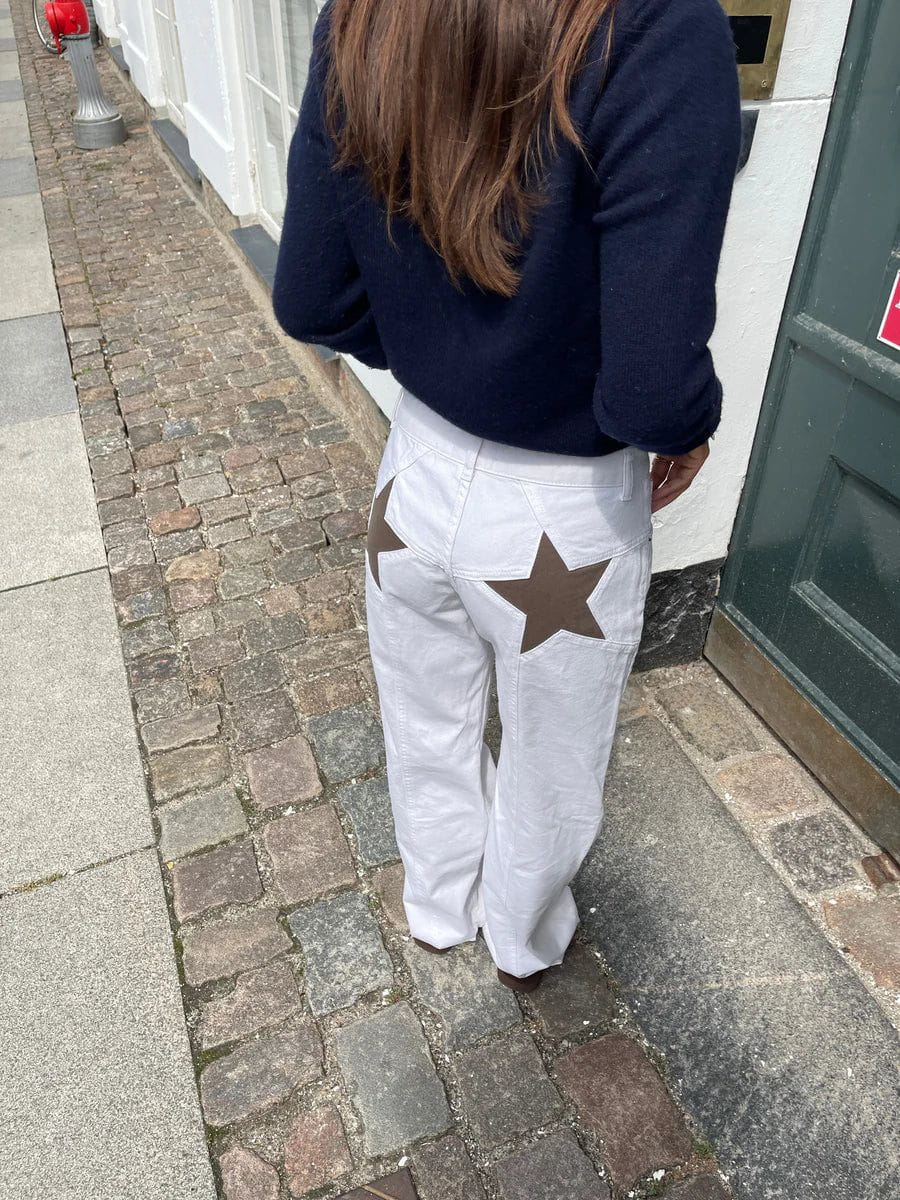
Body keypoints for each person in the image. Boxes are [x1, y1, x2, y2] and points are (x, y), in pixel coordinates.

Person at [272, 0, 741, 992]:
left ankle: (439, 906)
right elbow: (653, 381)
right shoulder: (661, 26)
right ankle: (521, 937)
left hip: (414, 473)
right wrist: (683, 425)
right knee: (551, 760)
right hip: (562, 510)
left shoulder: (364, 12)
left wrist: (445, 362)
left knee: (423, 717)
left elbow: (311, 296)